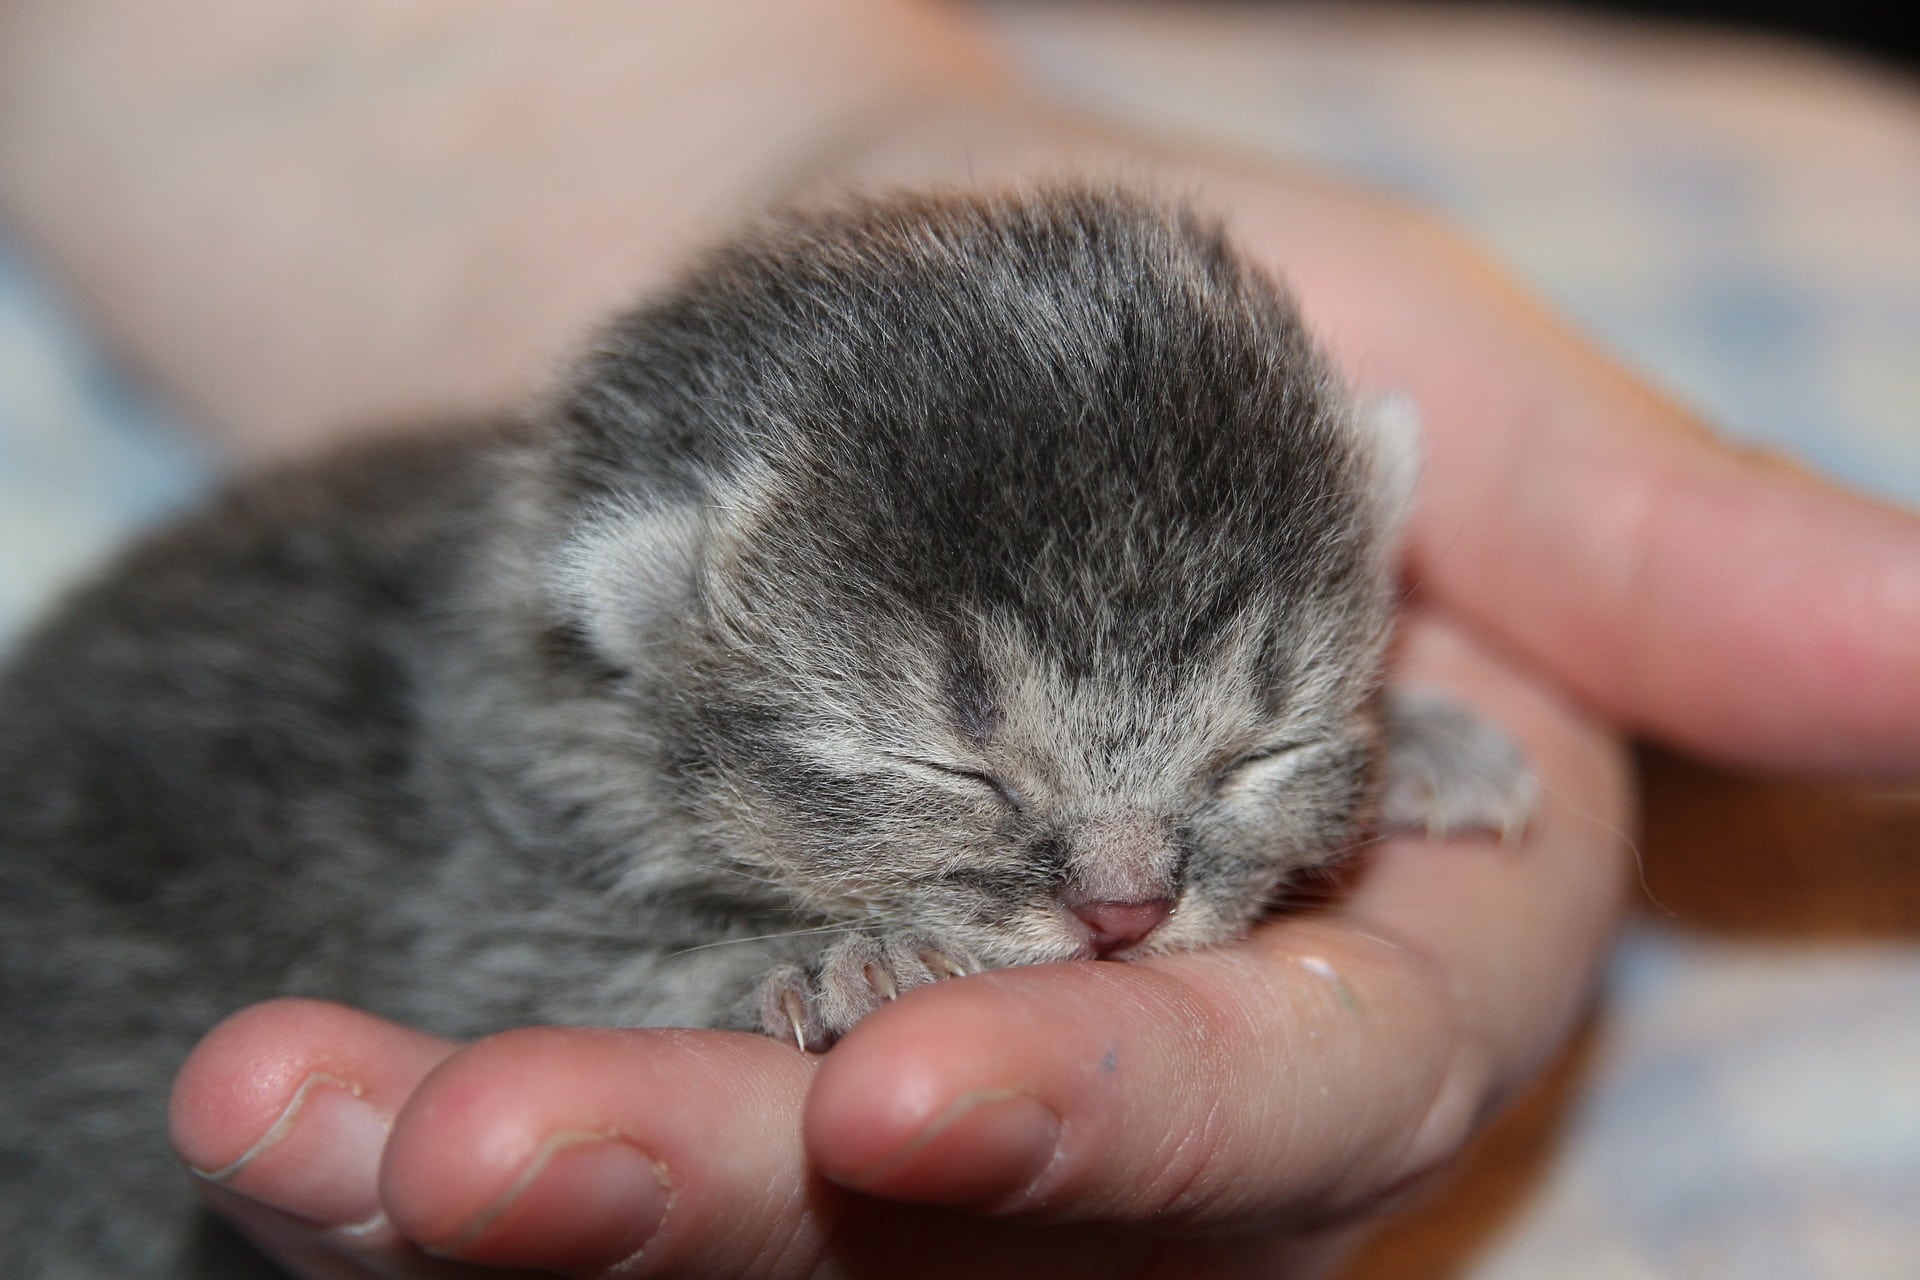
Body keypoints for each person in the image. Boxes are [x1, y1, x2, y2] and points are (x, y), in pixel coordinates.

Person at [4, 2, 1916, 1275]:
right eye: (954, 757)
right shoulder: (509, 765)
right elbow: (516, 972)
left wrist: (1345, 761)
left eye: (1249, 743)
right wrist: (814, 964)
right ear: (637, 627)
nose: (1126, 883)